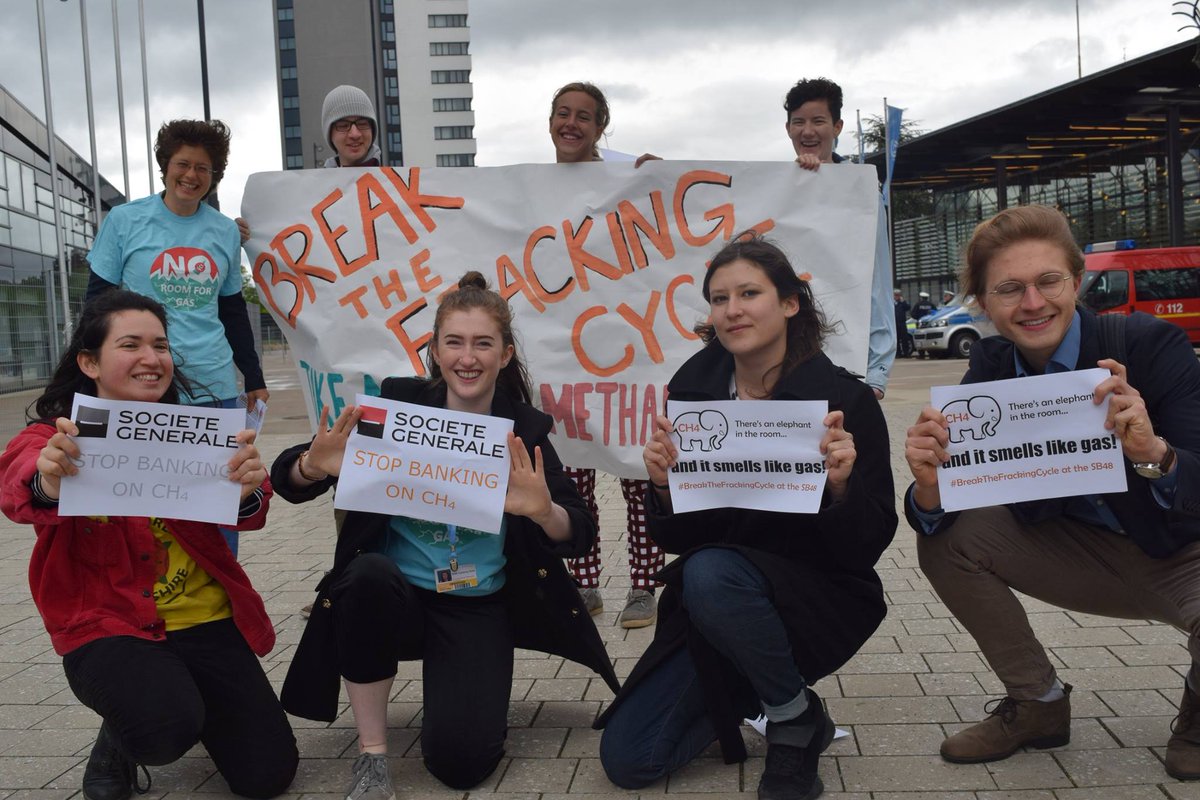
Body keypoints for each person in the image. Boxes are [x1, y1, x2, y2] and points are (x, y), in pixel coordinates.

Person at [272, 272, 619, 799]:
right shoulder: (397, 409)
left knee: (462, 765)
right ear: (434, 350)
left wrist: (545, 511)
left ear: (505, 355)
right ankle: (372, 758)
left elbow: (581, 531)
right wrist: (312, 466)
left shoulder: (524, 430)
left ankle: (467, 697)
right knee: (364, 575)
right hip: (396, 597)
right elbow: (289, 481)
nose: (468, 357)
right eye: (454, 342)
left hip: (474, 603)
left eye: (483, 343)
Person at [903, 205, 1200, 779]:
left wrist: (1154, 455)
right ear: (983, 304)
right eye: (1009, 289)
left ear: (1077, 281)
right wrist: (931, 489)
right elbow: (947, 505)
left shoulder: (1151, 346)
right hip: (1078, 553)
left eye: (1048, 282)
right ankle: (1037, 704)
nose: (1033, 304)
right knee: (947, 537)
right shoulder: (989, 368)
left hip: (1182, 552)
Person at [598, 234, 897, 800]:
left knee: (710, 570)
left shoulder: (844, 402)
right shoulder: (690, 395)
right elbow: (683, 537)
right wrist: (663, 489)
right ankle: (788, 698)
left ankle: (788, 721)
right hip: (720, 606)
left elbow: (871, 540)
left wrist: (840, 489)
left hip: (817, 592)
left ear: (790, 303)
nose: (732, 310)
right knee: (630, 760)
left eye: (749, 293)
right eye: (718, 298)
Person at [0, 290, 297, 800]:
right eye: (131, 344)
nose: (151, 358)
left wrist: (249, 488)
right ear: (90, 361)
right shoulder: (56, 437)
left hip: (205, 619)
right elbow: (18, 489)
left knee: (268, 775)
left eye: (160, 345)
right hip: (109, 622)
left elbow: (254, 511)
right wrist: (49, 480)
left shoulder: (199, 433)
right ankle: (123, 732)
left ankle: (173, 696)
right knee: (162, 728)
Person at [85, 119, 268, 557]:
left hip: (213, 385)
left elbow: (231, 311)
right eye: (183, 164)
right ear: (165, 166)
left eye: (203, 168)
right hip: (142, 384)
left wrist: (254, 374)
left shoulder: (224, 231)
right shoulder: (126, 221)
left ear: (214, 174)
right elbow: (95, 304)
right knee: (144, 508)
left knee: (219, 502)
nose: (191, 175)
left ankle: (220, 607)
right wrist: (87, 368)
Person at [548, 81, 664, 627]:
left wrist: (660, 180)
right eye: (563, 114)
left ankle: (644, 585)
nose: (572, 124)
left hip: (630, 360)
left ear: (600, 127)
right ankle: (583, 582)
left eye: (584, 117)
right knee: (575, 483)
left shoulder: (626, 181)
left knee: (638, 477)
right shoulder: (528, 190)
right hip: (565, 366)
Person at [785, 77, 896, 400]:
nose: (808, 131)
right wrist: (658, 180)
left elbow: (877, 283)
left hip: (848, 363)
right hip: (785, 364)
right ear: (788, 128)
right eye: (799, 122)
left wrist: (876, 372)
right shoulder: (774, 191)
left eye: (818, 121)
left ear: (837, 126)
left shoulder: (862, 195)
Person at [894, 288, 913, 358]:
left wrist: (903, 301)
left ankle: (906, 353)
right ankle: (898, 354)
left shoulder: (902, 303)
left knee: (904, 338)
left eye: (898, 295)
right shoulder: (892, 303)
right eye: (896, 295)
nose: (897, 297)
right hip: (895, 323)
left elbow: (908, 307)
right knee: (897, 339)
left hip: (902, 323)